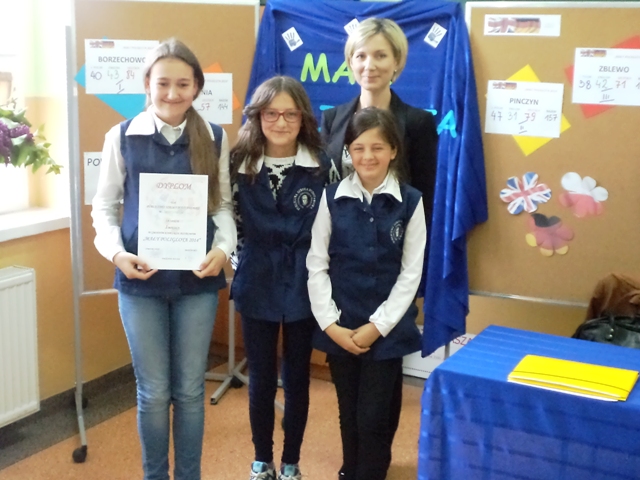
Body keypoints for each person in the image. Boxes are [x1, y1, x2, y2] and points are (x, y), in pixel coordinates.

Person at [91, 39, 236, 480]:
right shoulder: (121, 136)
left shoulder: (214, 137)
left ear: (197, 88)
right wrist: (117, 253)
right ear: (147, 85)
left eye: (183, 84)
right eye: (163, 83)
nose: (172, 93)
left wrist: (223, 249)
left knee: (189, 392)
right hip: (141, 283)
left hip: (197, 282)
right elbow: (104, 207)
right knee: (153, 393)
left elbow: (223, 206)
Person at [307, 107, 427, 480]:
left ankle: (370, 471)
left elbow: (411, 274)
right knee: (349, 411)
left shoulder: (411, 201)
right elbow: (316, 264)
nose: (368, 156)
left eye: (377, 147)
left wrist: (378, 326)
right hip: (342, 324)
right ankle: (352, 469)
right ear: (348, 151)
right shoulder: (331, 198)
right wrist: (330, 324)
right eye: (358, 148)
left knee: (373, 415)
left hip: (387, 328)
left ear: (393, 150)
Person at [230, 75, 338, 480]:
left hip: (305, 284)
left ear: (303, 118)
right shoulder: (237, 163)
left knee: (297, 377)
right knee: (260, 377)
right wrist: (240, 263)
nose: (280, 122)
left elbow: (334, 226)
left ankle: (291, 461)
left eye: (290, 114)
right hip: (256, 280)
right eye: (271, 113)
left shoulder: (323, 165)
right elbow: (229, 221)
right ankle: (262, 459)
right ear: (257, 117)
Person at [321, 17, 438, 226]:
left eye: (380, 56)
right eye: (361, 56)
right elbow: (324, 188)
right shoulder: (332, 119)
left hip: (393, 240)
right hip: (336, 238)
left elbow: (424, 200)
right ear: (351, 62)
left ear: (397, 61)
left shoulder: (418, 123)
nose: (369, 65)